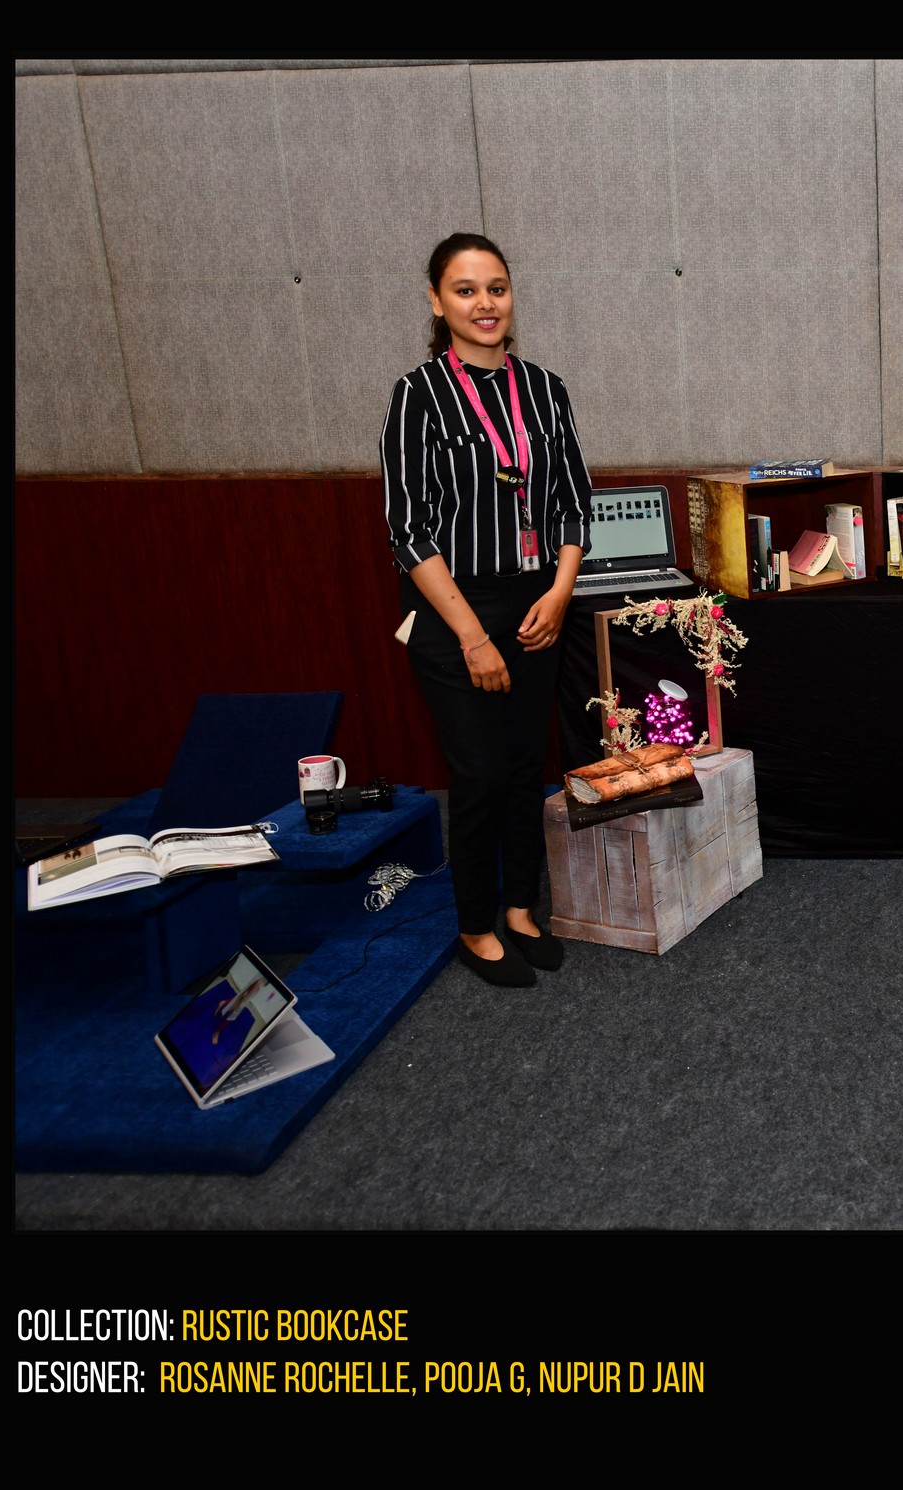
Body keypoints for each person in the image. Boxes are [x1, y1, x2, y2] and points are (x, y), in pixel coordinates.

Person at [381, 233, 592, 987]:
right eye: (465, 290)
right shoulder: (417, 395)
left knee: (525, 764)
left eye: (496, 288)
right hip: (451, 610)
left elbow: (572, 503)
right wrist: (473, 636)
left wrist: (560, 592)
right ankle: (474, 924)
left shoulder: (545, 388)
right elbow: (408, 530)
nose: (484, 304)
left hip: (538, 599)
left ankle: (522, 909)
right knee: (476, 772)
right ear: (437, 302)